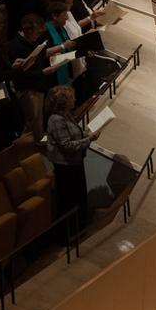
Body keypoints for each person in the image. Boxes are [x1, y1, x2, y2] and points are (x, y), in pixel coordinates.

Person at [43, 84, 102, 240]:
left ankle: (80, 231)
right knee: (69, 202)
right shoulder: (55, 120)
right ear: (63, 101)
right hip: (65, 167)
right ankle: (68, 236)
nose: (74, 99)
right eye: (71, 97)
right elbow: (66, 145)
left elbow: (76, 134)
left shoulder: (66, 115)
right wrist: (89, 140)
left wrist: (88, 134)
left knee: (79, 198)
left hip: (75, 164)